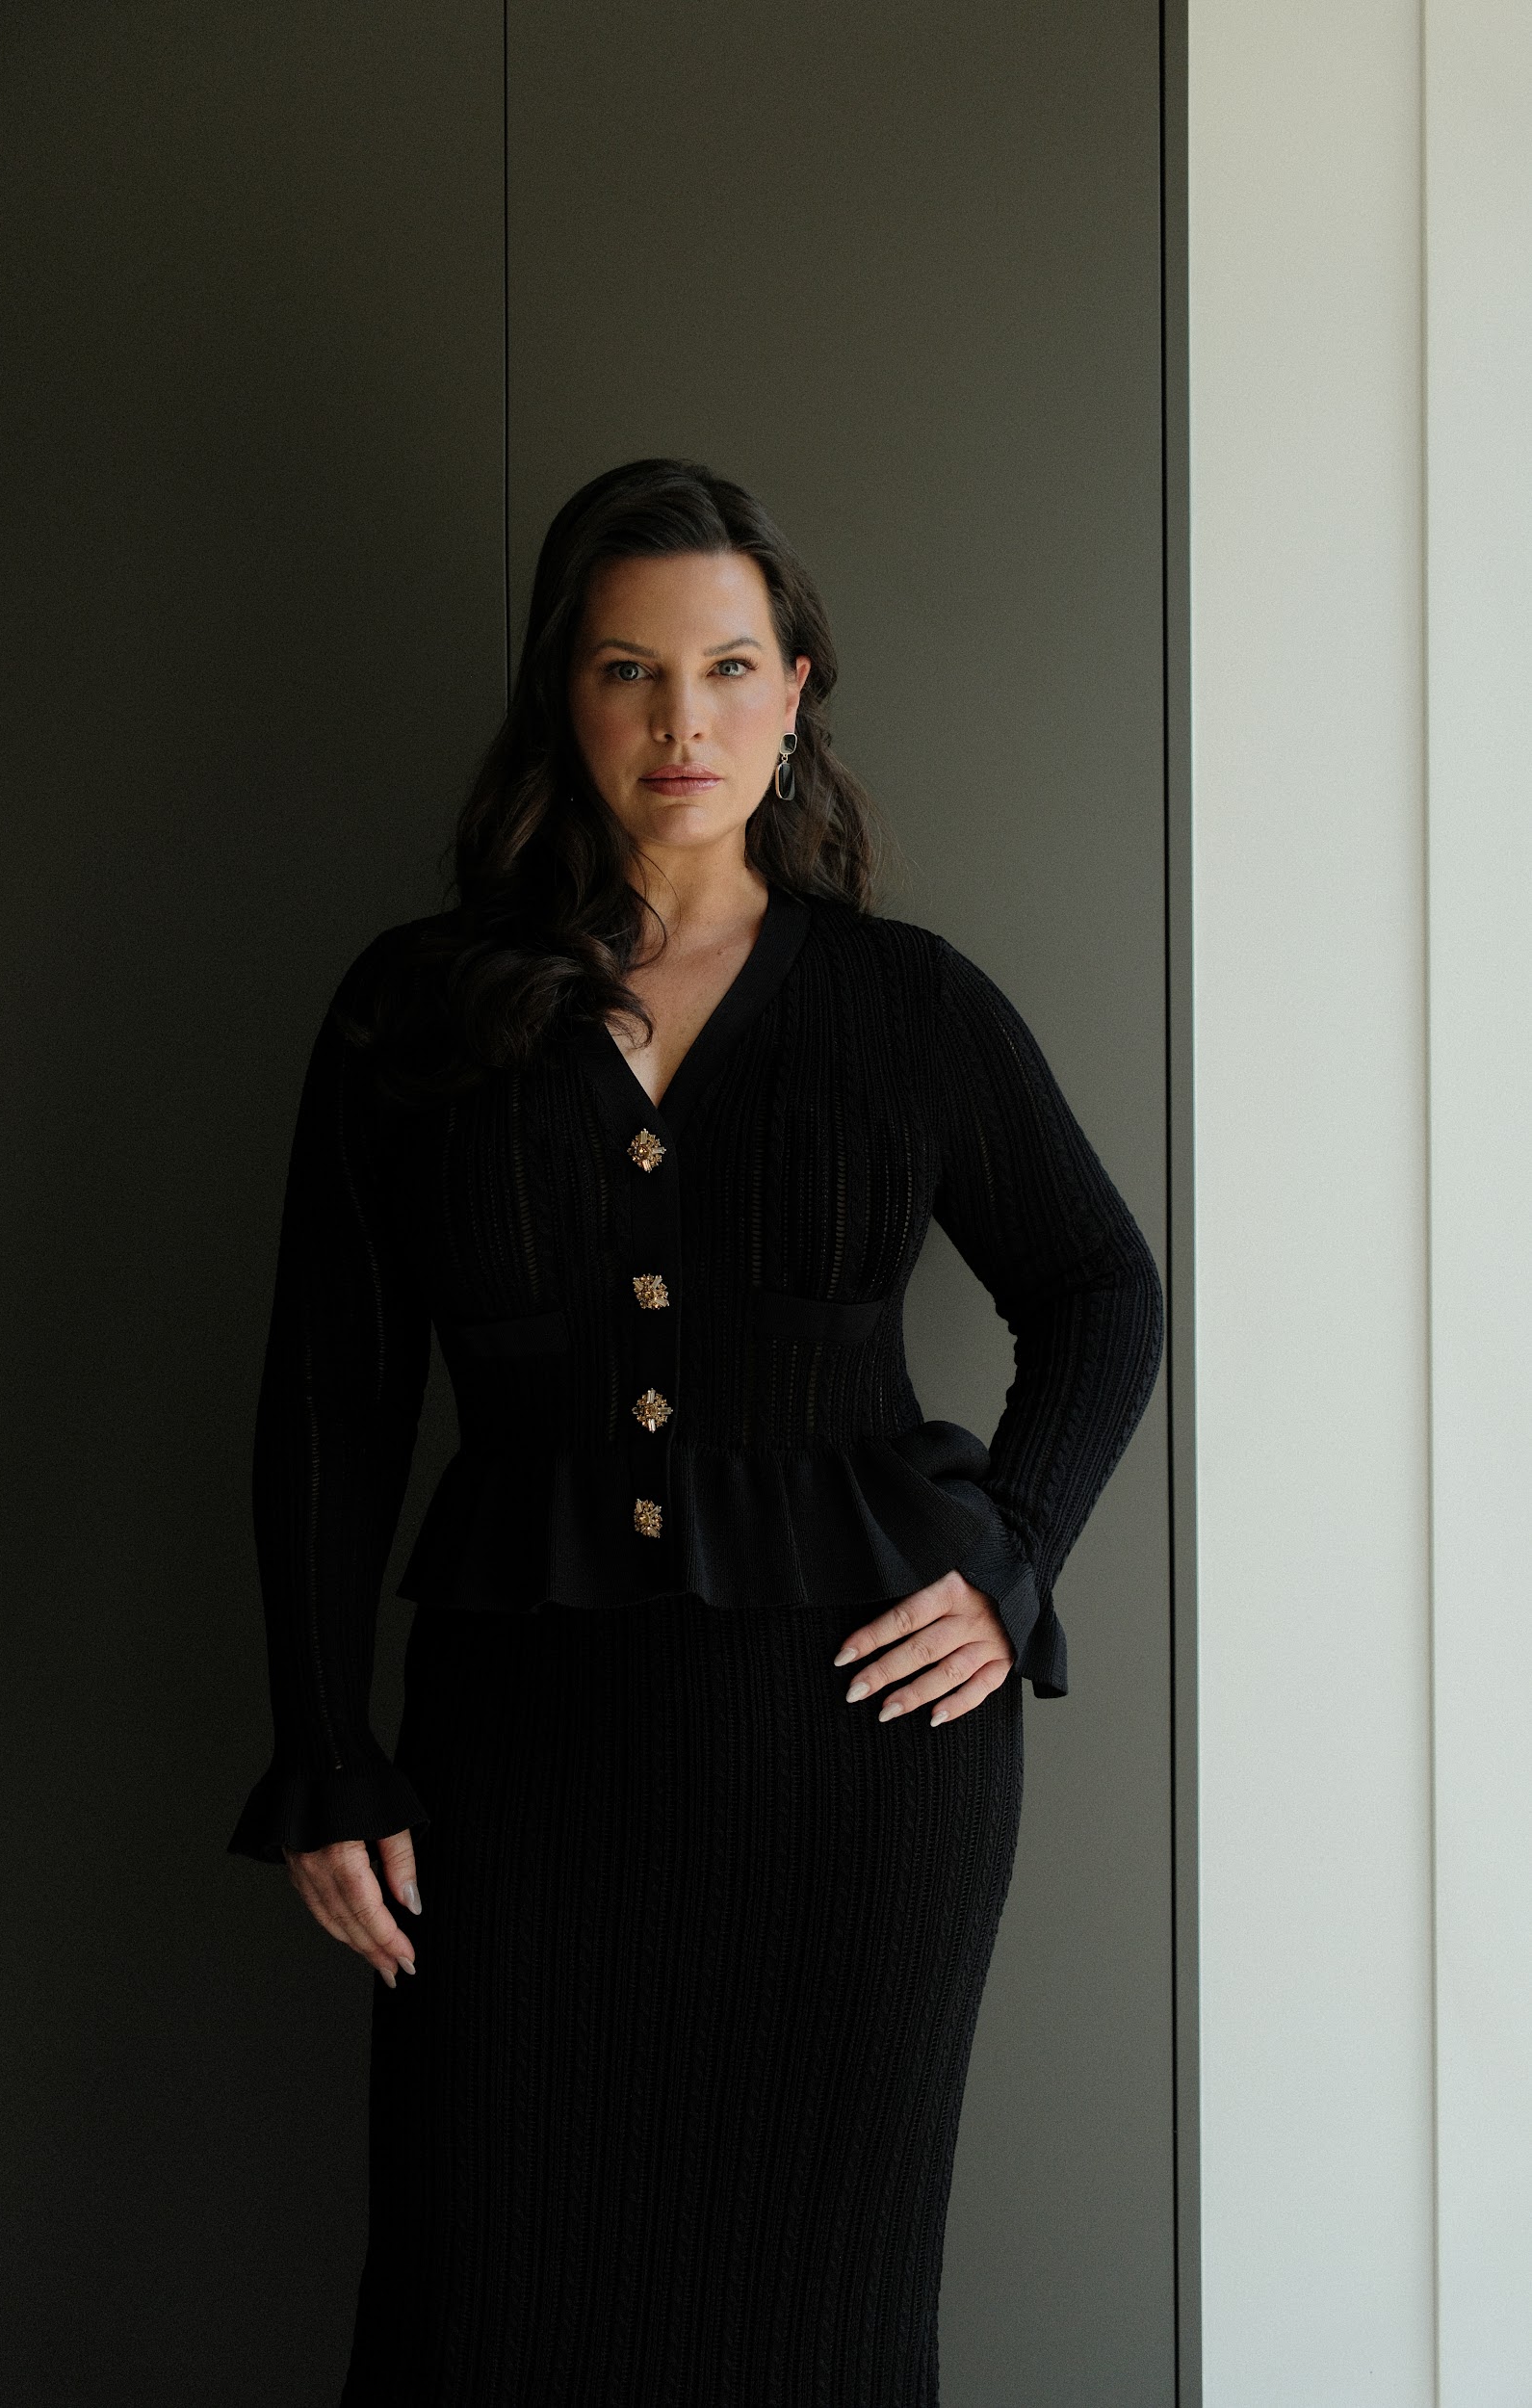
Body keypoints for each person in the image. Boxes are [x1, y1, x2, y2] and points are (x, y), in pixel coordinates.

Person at [226, 456, 1164, 2406]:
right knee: (486, 2307)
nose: (684, 723)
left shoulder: (911, 1011)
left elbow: (1100, 1290)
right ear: (565, 698)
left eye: (730, 666)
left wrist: (1010, 1550)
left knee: (818, 2319)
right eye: (631, 672)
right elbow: (330, 1393)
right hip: (520, 1773)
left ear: (799, 683)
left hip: (861, 1779)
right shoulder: (417, 1011)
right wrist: (327, 1743)